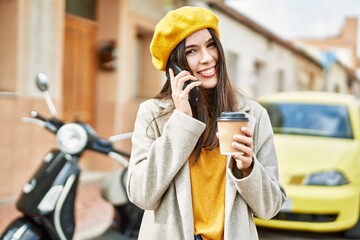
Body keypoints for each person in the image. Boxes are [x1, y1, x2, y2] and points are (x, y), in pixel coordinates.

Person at [126, 6, 287, 240]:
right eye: (192, 51)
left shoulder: (253, 114)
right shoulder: (153, 114)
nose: (207, 58)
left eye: (211, 45)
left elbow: (270, 208)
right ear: (175, 65)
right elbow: (141, 195)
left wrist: (248, 169)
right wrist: (181, 123)